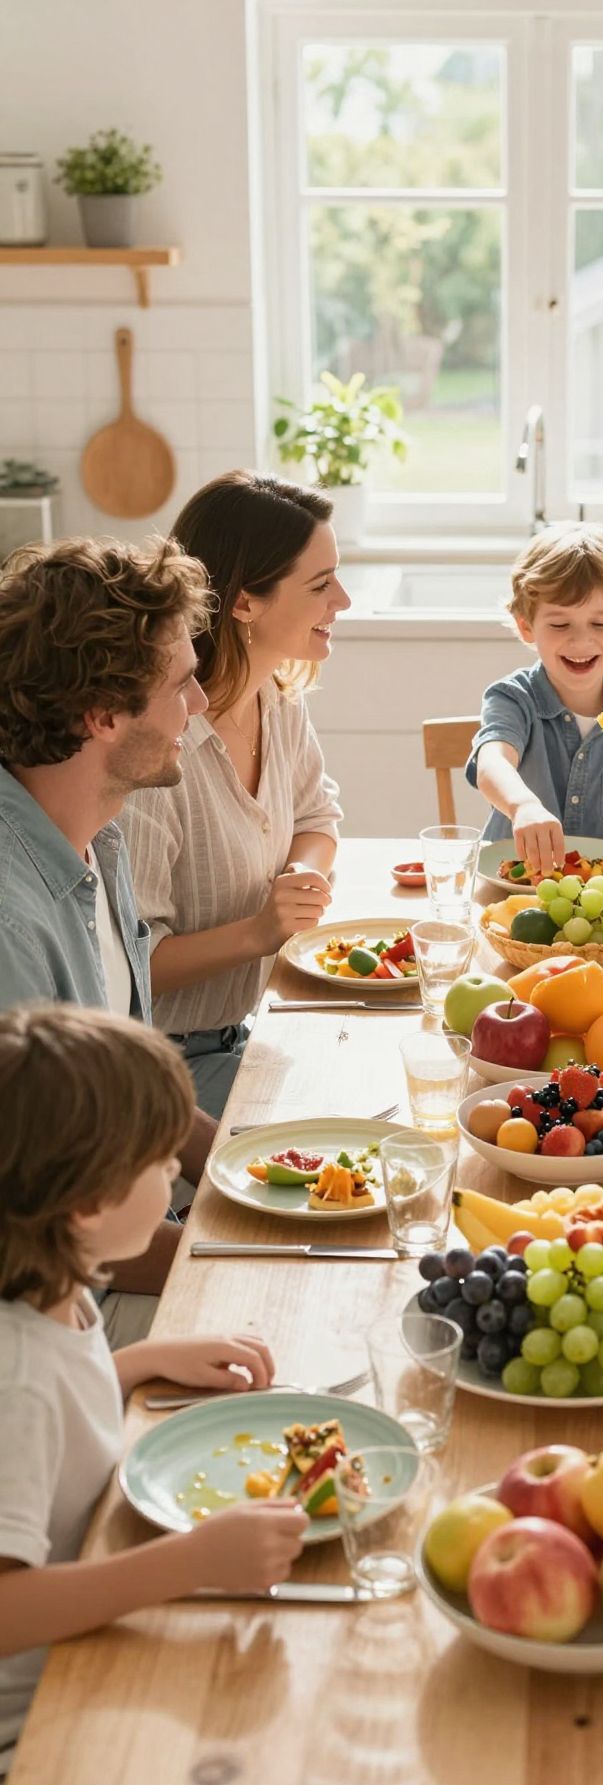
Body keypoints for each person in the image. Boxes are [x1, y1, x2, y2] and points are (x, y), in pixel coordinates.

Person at [0, 1004, 306, 1785]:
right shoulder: (14, 1375)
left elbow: (67, 1408)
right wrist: (190, 1564)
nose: (177, 1178)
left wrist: (140, 1361)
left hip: (87, 1679)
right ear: (88, 1203)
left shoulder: (56, 1293)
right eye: (160, 1166)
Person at [0, 534, 219, 1344]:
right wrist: (230, 1252)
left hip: (137, 1237)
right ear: (101, 717)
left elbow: (125, 1108)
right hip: (55, 1318)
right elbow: (48, 1225)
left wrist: (244, 1163)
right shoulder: (11, 923)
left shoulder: (98, 833)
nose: (197, 709)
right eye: (181, 686)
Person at [121, 472, 346, 1118]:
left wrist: (300, 876)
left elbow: (318, 814)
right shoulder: (162, 753)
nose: (344, 600)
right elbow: (137, 963)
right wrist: (260, 930)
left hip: (242, 1034)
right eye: (321, 584)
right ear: (245, 603)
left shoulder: (275, 699)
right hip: (164, 1068)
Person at [468, 523, 603, 875]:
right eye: (559, 625)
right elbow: (492, 762)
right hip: (516, 889)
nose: (581, 642)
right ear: (526, 627)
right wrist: (522, 805)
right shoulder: (511, 698)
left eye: (600, 624)